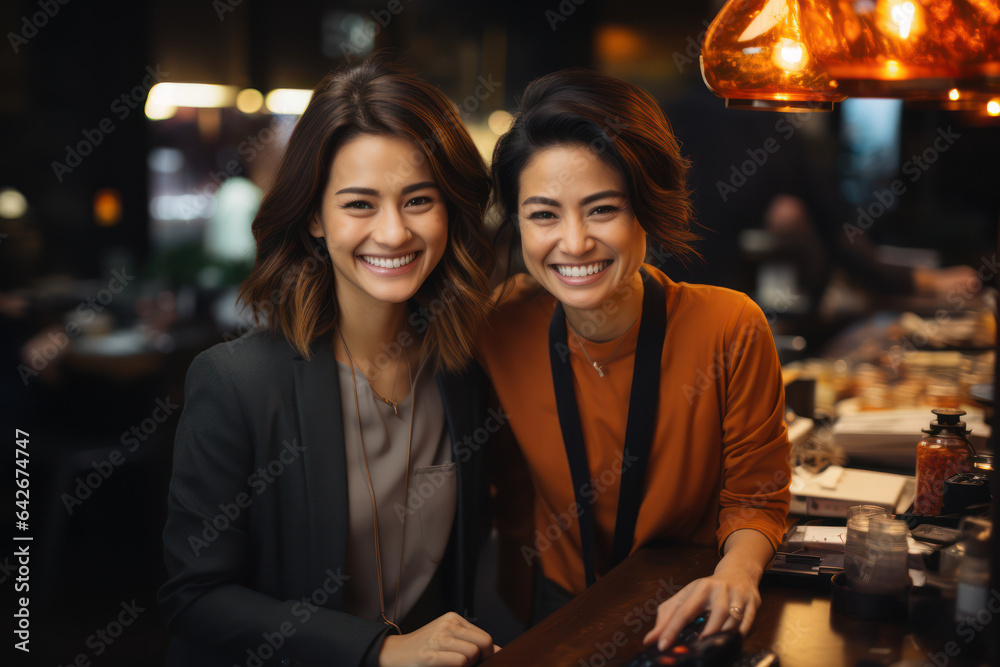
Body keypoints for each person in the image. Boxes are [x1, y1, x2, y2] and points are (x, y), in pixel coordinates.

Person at [157, 57, 501, 667]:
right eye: (360, 205)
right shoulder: (237, 382)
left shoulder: (465, 368)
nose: (394, 232)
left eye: (419, 199)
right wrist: (380, 652)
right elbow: (196, 598)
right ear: (315, 218)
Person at [480, 69, 791, 650]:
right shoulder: (498, 327)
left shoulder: (729, 326)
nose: (573, 243)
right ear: (518, 224)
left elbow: (756, 495)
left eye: (602, 210)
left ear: (647, 209)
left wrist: (736, 573)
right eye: (544, 215)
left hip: (692, 599)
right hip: (559, 608)